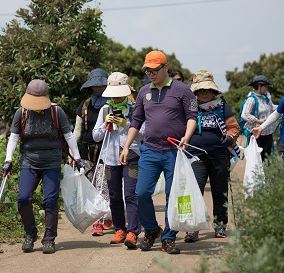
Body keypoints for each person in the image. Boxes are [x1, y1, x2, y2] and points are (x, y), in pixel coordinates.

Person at [120, 50, 198, 255]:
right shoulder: (144, 91)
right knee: (141, 192)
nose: (151, 74)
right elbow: (136, 121)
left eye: (155, 70)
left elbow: (192, 116)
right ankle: (152, 230)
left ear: (165, 68)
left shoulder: (183, 90)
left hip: (175, 152)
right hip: (150, 150)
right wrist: (127, 146)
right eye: (147, 70)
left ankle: (169, 238)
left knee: (173, 196)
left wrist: (186, 138)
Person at [2, 79, 84, 254]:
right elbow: (14, 137)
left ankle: (49, 238)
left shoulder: (56, 112)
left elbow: (69, 136)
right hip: (28, 162)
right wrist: (8, 160)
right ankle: (30, 233)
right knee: (23, 198)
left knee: (50, 200)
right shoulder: (21, 113)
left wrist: (77, 158)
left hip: (51, 162)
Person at [185, 70, 240, 242]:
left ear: (214, 91)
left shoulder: (222, 106)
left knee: (219, 192)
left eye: (208, 90)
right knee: (195, 192)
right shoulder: (191, 106)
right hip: (195, 157)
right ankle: (193, 228)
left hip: (219, 156)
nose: (205, 93)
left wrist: (230, 138)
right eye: (201, 90)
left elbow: (233, 127)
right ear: (195, 91)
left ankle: (220, 226)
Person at [92, 72, 144, 249]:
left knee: (131, 194)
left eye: (119, 91)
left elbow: (144, 134)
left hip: (131, 157)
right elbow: (96, 136)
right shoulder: (104, 109)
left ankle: (133, 231)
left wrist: (126, 124)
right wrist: (105, 124)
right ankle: (120, 229)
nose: (116, 95)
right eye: (113, 91)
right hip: (109, 158)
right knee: (114, 196)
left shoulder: (136, 107)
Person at [72, 68, 112, 235]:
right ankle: (100, 218)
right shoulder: (84, 105)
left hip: (106, 152)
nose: (98, 88)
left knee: (103, 188)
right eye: (94, 86)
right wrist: (73, 154)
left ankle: (100, 221)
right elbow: (77, 131)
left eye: (101, 85)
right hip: (86, 152)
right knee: (90, 188)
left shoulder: (112, 104)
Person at [240, 75, 276, 161]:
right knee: (257, 160)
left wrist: (282, 107)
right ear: (259, 86)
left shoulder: (266, 98)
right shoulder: (251, 99)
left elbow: (271, 108)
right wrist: (258, 121)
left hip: (268, 133)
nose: (267, 88)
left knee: (266, 159)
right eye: (265, 86)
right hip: (257, 135)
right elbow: (244, 114)